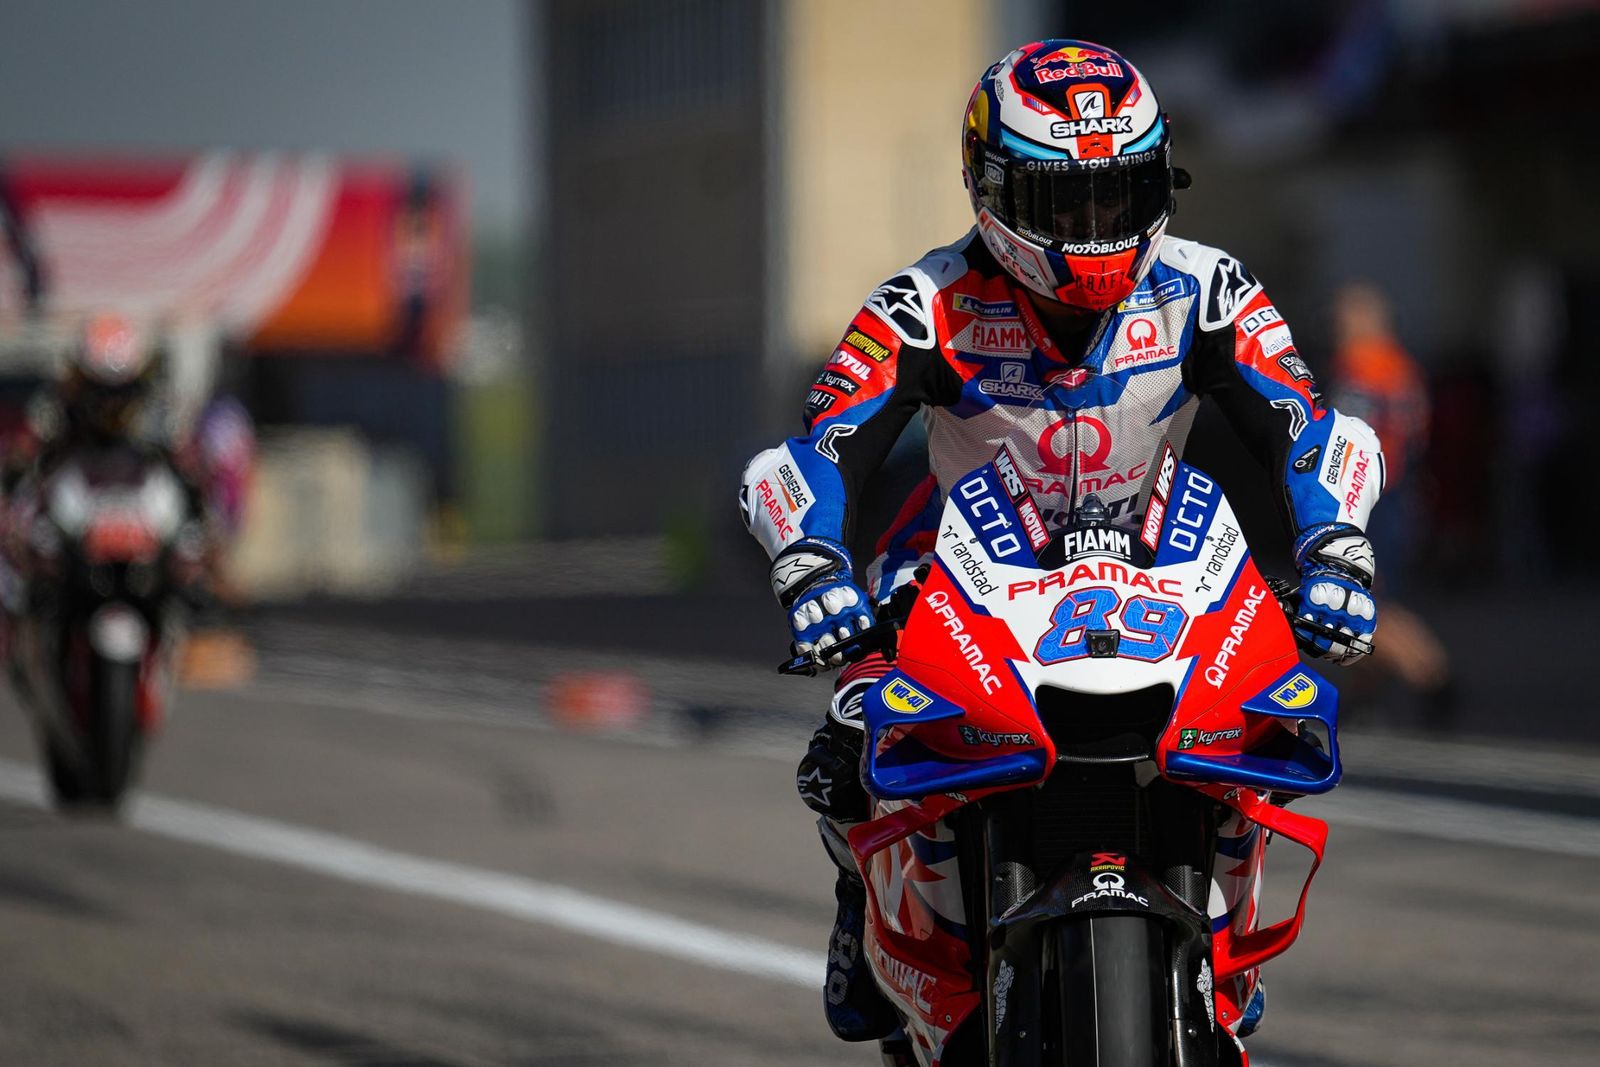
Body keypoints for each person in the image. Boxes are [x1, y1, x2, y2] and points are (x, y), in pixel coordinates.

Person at [737, 40, 1384, 1050]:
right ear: (988, 188)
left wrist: (1338, 547)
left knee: (1264, 719)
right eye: (1061, 202)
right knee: (850, 733)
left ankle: (1213, 942)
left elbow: (1305, 425)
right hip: (962, 560)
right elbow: (818, 449)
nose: (1094, 229)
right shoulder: (924, 300)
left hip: (1167, 557)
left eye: (1118, 195)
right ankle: (858, 898)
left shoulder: (1209, 287)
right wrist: (812, 565)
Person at [1329, 282, 1450, 721]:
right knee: (1365, 598)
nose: (1339, 326)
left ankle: (1433, 677)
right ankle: (1365, 696)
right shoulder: (1403, 367)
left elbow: (1345, 440)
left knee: (1368, 602)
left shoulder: (1359, 367)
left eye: (1345, 318)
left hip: (1372, 498)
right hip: (1403, 494)